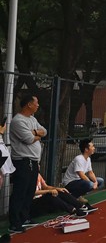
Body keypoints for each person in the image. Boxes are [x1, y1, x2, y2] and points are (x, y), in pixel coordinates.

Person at [8, 95, 47, 234]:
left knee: (29, 191)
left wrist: (35, 132)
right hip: (23, 161)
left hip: (34, 161)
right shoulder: (18, 121)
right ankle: (14, 222)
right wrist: (36, 135)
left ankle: (24, 217)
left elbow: (44, 131)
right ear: (29, 104)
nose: (38, 105)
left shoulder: (33, 119)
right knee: (20, 191)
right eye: (36, 103)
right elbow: (28, 139)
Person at [31, 173, 96, 218]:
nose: (38, 166)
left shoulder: (38, 175)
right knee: (50, 196)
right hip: (32, 203)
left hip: (41, 200)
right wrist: (48, 191)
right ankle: (73, 211)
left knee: (61, 191)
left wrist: (57, 188)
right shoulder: (28, 176)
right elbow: (30, 192)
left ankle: (81, 206)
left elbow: (46, 186)